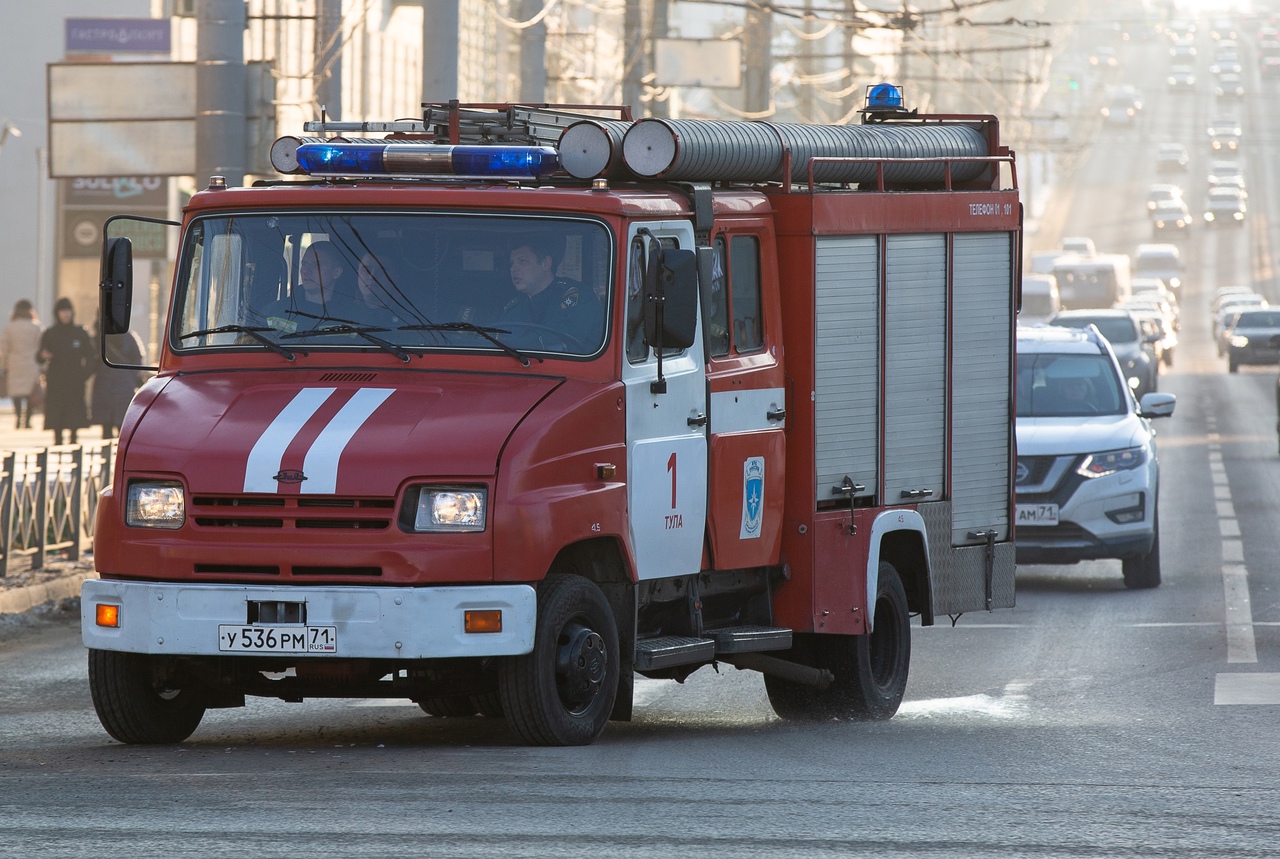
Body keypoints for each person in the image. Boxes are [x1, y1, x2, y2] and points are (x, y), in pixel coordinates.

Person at [500, 235, 603, 350]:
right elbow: (501, 341)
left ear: (546, 263)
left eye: (522, 261)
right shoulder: (515, 306)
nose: (513, 268)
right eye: (512, 263)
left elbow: (561, 342)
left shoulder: (577, 296)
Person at [264, 242, 362, 333]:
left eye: (316, 265)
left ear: (336, 272)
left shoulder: (354, 316)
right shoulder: (274, 311)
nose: (306, 271)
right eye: (304, 264)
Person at [38, 297, 92, 445]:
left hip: (75, 380)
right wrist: (44, 355)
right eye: (63, 311)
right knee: (57, 413)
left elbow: (91, 356)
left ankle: (74, 440)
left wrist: (84, 375)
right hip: (56, 380)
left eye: (68, 311)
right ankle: (57, 440)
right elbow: (39, 355)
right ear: (57, 313)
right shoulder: (50, 333)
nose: (66, 314)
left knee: (74, 414)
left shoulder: (80, 332)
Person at [90, 322, 145, 439]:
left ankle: (114, 455)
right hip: (108, 386)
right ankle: (109, 455)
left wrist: (131, 375)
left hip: (119, 386)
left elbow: (137, 358)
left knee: (122, 427)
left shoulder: (127, 337)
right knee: (108, 427)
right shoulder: (97, 339)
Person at [0, 299, 43, 430]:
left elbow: (4, 348)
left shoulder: (10, 327)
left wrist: (3, 366)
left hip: (15, 363)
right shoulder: (36, 326)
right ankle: (28, 420)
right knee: (30, 392)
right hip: (32, 363)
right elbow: (40, 346)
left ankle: (18, 417)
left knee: (16, 393)